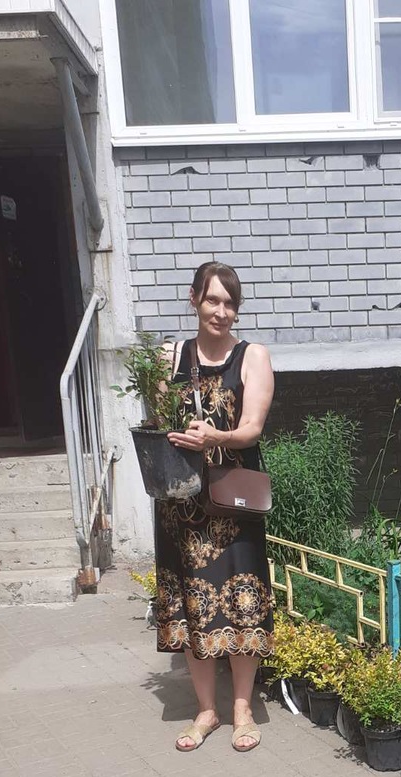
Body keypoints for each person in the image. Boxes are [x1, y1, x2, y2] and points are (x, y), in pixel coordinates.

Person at [154, 262, 275, 752]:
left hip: (232, 503)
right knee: (192, 604)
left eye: (230, 303)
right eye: (212, 300)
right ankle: (206, 710)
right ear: (194, 300)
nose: (221, 312)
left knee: (242, 601)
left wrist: (215, 437)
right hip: (182, 507)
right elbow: (158, 423)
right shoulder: (169, 357)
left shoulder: (252, 356)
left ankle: (242, 708)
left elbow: (252, 430)